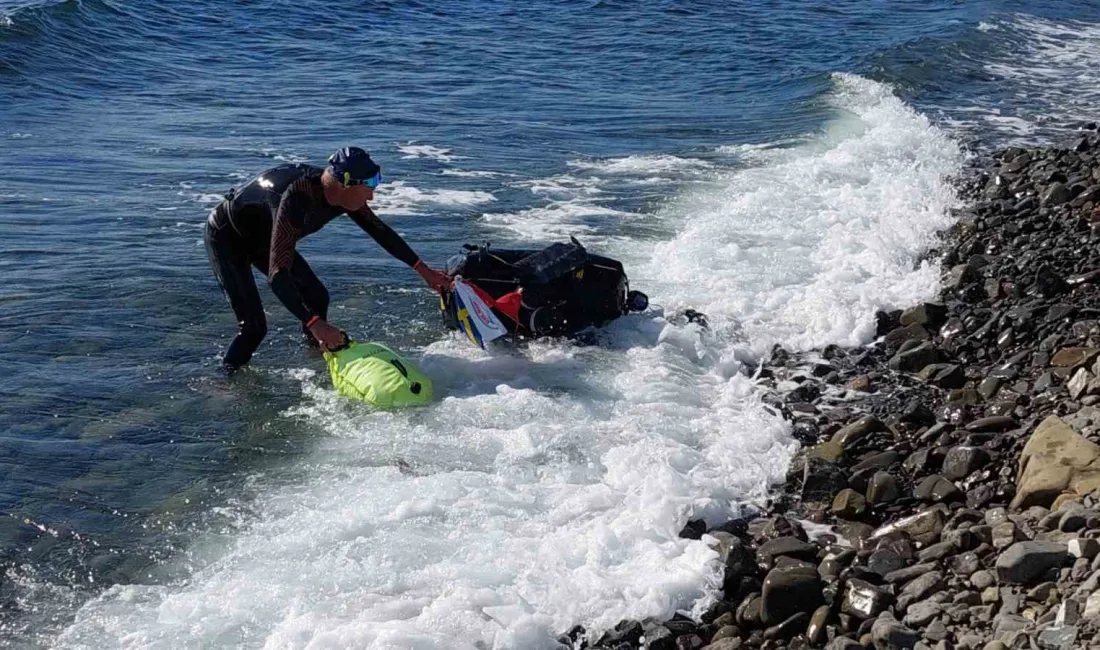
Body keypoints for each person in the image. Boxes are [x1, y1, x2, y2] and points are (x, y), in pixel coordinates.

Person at [204, 146, 451, 373]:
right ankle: (224, 379)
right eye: (368, 190)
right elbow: (277, 276)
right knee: (253, 328)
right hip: (228, 238)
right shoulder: (296, 199)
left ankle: (316, 353)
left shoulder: (342, 195)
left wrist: (424, 270)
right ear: (344, 184)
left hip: (265, 238)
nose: (371, 199)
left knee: (317, 296)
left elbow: (380, 231)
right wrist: (314, 322)